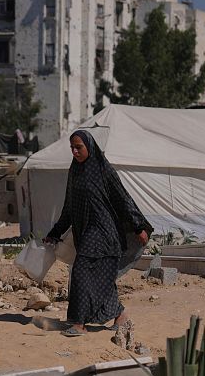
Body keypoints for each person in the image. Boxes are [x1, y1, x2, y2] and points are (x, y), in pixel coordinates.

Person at [43, 130, 153, 337]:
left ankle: (79, 324)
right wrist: (55, 233)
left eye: (79, 147)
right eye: (72, 148)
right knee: (101, 278)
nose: (75, 152)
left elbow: (123, 199)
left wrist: (139, 226)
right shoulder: (75, 171)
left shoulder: (104, 170)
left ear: (90, 147)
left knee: (80, 271)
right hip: (85, 233)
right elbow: (69, 207)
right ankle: (120, 315)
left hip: (104, 233)